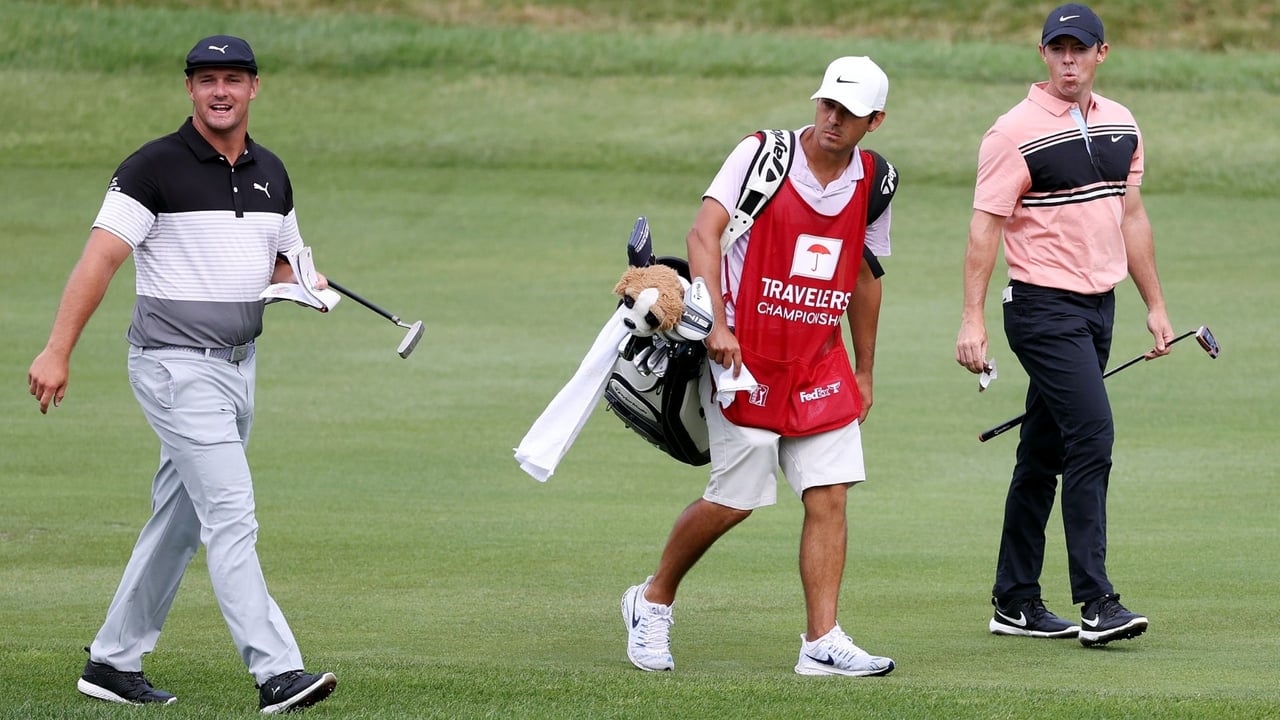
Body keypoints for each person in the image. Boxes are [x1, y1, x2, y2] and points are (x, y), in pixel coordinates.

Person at [27, 35, 338, 711]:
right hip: (174, 368)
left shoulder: (272, 172)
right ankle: (277, 671)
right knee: (231, 513)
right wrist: (57, 349)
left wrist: (304, 282)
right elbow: (101, 259)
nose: (220, 91)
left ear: (254, 87)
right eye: (207, 80)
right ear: (190, 89)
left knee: (182, 518)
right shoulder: (152, 168)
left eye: (233, 78)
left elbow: (283, 259)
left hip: (238, 368)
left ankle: (111, 661)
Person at [622, 56, 896, 677]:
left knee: (830, 495)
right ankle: (651, 600)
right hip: (743, 360)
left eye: (849, 113)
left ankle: (821, 640)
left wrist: (865, 370)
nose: (833, 119)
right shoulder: (762, 155)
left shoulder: (877, 181)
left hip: (819, 362)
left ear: (874, 121)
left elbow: (863, 275)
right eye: (827, 105)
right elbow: (703, 235)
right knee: (735, 500)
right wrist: (717, 325)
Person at [955, 4, 1174, 648]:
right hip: (1042, 309)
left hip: (1099, 307)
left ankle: (1015, 599)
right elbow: (985, 228)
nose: (1069, 60)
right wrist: (972, 319)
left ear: (1102, 53)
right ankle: (1097, 602)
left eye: (1080, 48)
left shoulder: (1122, 123)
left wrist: (1155, 304)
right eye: (1058, 49)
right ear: (1044, 54)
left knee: (1041, 453)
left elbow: (1131, 216)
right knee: (1092, 434)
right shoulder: (1012, 132)